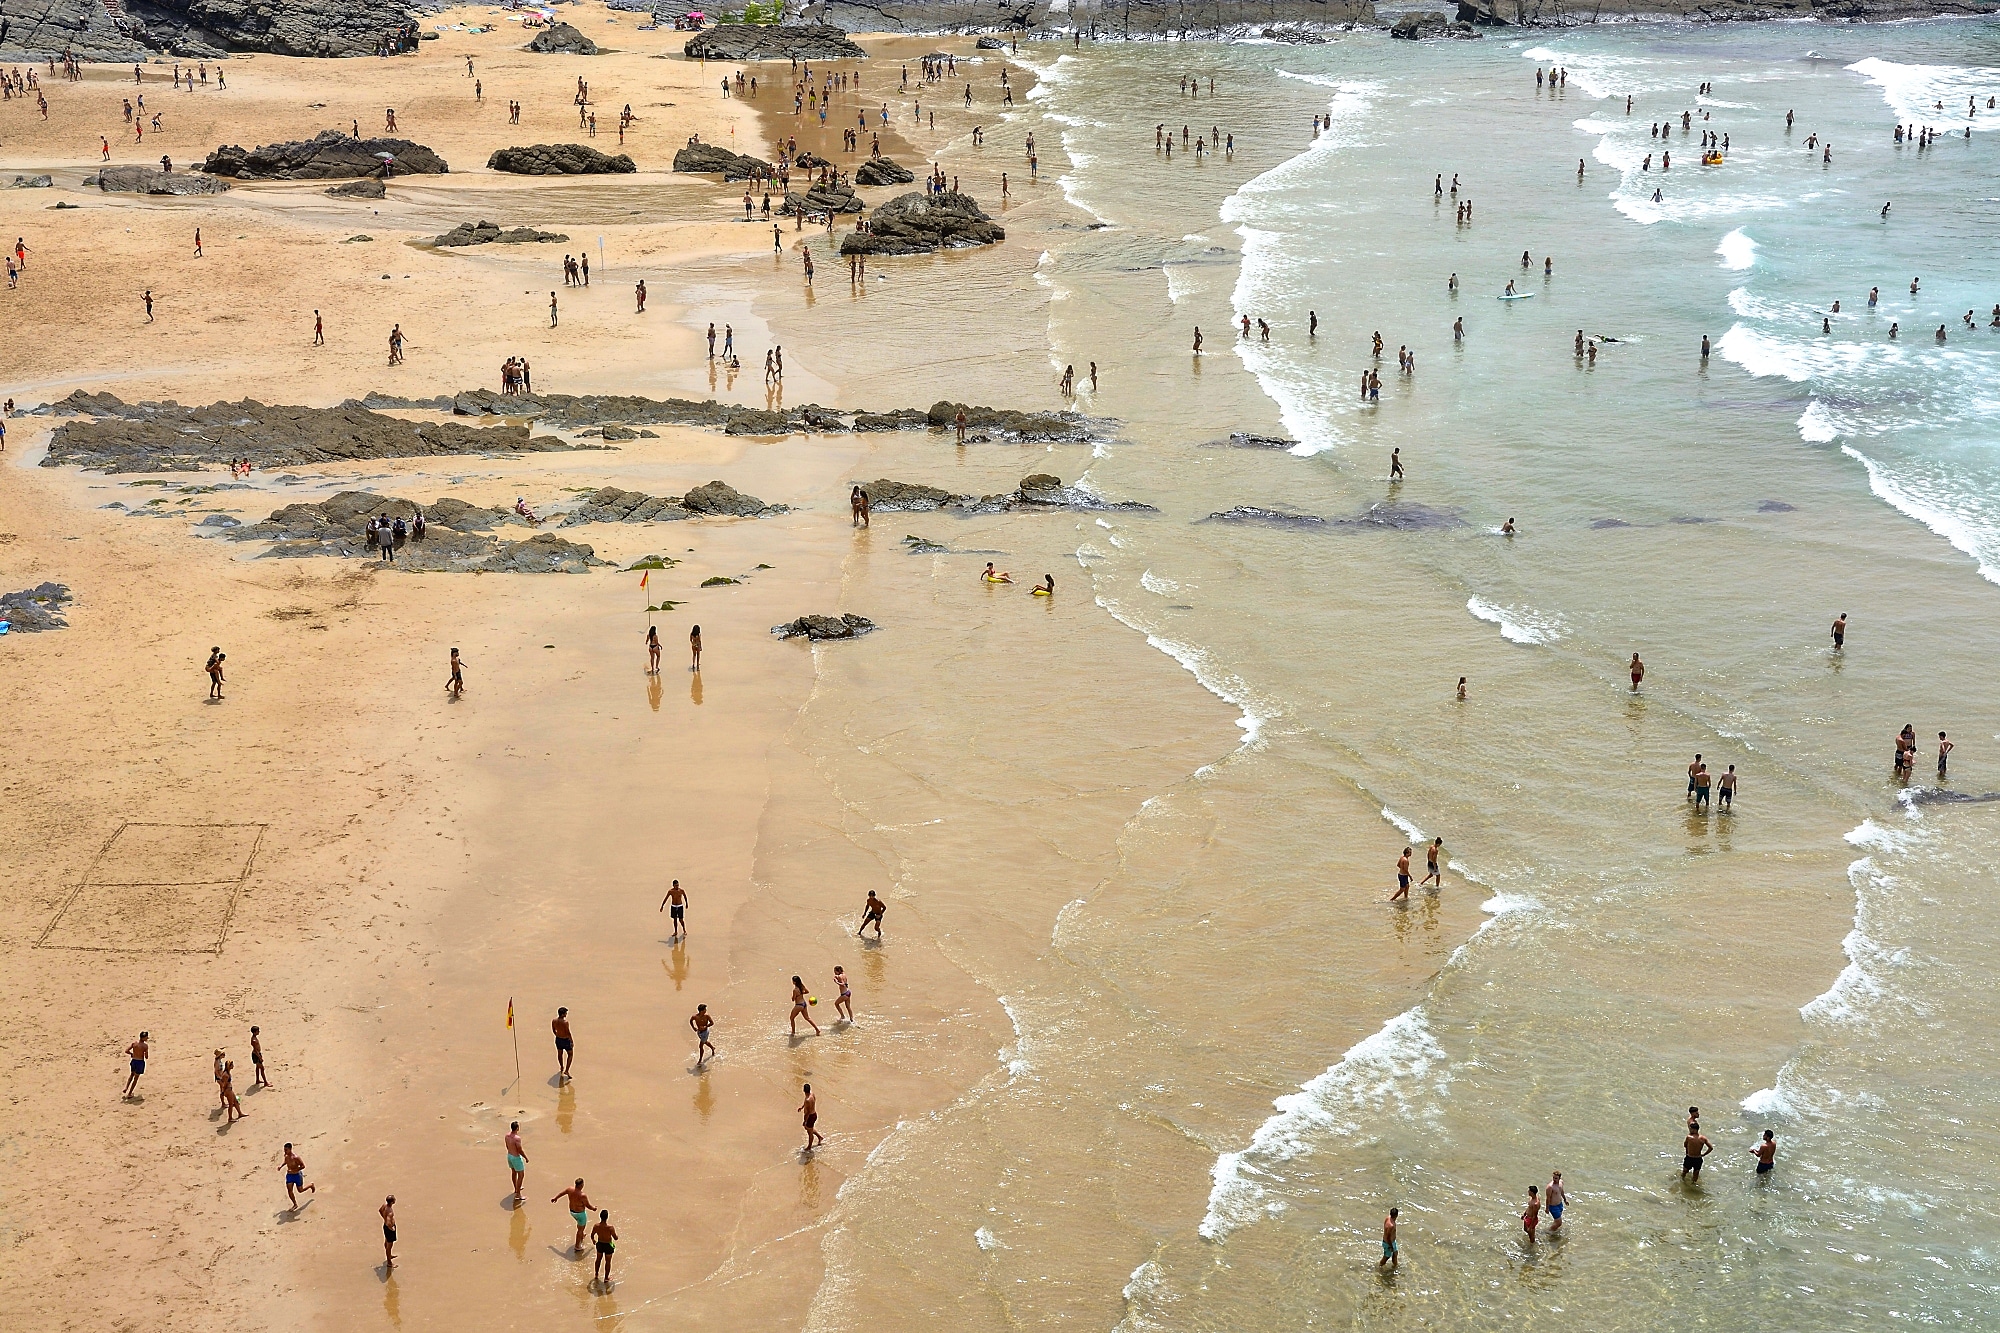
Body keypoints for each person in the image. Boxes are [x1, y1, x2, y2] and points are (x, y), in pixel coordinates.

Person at [553, 1180, 592, 1252]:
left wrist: (555, 1198)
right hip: (580, 1214)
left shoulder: (570, 1189)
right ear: (581, 1185)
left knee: (579, 1225)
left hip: (572, 1212)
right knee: (580, 1229)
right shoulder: (582, 1195)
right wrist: (593, 1208)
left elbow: (562, 1193)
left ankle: (582, 1236)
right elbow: (588, 1206)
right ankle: (577, 1246)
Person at [591, 1210, 618, 1285]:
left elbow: (592, 1235)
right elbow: (615, 1238)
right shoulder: (610, 1228)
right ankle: (606, 1278)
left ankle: (596, 1274)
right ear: (607, 1217)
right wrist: (616, 1236)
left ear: (600, 1216)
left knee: (598, 1259)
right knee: (608, 1262)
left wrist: (593, 1240)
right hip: (608, 1245)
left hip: (600, 1244)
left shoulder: (596, 1226)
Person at [505, 1122, 529, 1203]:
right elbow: (519, 1149)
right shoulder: (517, 1138)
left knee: (513, 1172)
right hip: (515, 1157)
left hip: (509, 1155)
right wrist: (525, 1157)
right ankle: (518, 1194)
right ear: (517, 1128)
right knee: (521, 1175)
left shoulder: (507, 1136)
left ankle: (516, 1188)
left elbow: (507, 1146)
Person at [122, 1032, 149, 1098]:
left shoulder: (134, 1043)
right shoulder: (145, 1046)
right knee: (136, 1078)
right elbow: (146, 1057)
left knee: (131, 1075)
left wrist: (131, 1054)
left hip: (134, 1061)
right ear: (143, 1038)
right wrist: (145, 1052)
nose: (147, 1038)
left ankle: (126, 1087)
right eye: (146, 1037)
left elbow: (126, 1051)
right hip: (140, 1062)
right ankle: (130, 1093)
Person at [800, 1083, 824, 1151]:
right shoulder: (811, 1094)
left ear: (803, 1090)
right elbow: (808, 1103)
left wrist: (805, 1121)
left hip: (810, 1116)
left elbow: (807, 1113)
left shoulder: (808, 1100)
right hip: (814, 1114)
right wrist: (802, 1107)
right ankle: (820, 1137)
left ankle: (809, 1147)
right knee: (809, 1128)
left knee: (809, 1132)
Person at [552, 1007, 574, 1080]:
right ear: (562, 1014)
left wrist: (558, 1035)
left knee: (560, 1053)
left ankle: (561, 1066)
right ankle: (567, 1071)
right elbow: (568, 1032)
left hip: (558, 1039)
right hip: (565, 1040)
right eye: (565, 1013)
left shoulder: (554, 1021)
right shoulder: (565, 1022)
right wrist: (571, 1041)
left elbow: (554, 1030)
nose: (566, 1014)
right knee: (570, 1054)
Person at [380, 1196, 397, 1269]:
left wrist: (383, 1217)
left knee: (387, 1241)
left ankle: (389, 1256)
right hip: (389, 1228)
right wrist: (392, 1228)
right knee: (389, 1246)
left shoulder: (384, 1205)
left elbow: (380, 1210)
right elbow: (388, 1222)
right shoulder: (390, 1211)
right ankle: (389, 1263)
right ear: (392, 1202)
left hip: (385, 1227)